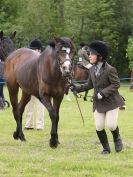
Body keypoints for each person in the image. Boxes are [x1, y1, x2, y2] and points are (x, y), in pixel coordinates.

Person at [70, 40, 124, 154]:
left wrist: (103, 93)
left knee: (111, 125)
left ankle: (117, 138)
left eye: (91, 54)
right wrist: (76, 87)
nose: (89, 56)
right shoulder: (91, 69)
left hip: (111, 101)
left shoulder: (110, 69)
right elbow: (89, 84)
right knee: (99, 126)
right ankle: (106, 148)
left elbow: (116, 84)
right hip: (98, 103)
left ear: (99, 56)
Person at [25, 39, 44, 130]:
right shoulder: (27, 60)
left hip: (40, 86)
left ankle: (40, 125)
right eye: (32, 49)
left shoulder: (43, 60)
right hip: (29, 86)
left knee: (40, 106)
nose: (33, 51)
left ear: (39, 50)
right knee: (28, 105)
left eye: (35, 49)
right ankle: (29, 124)